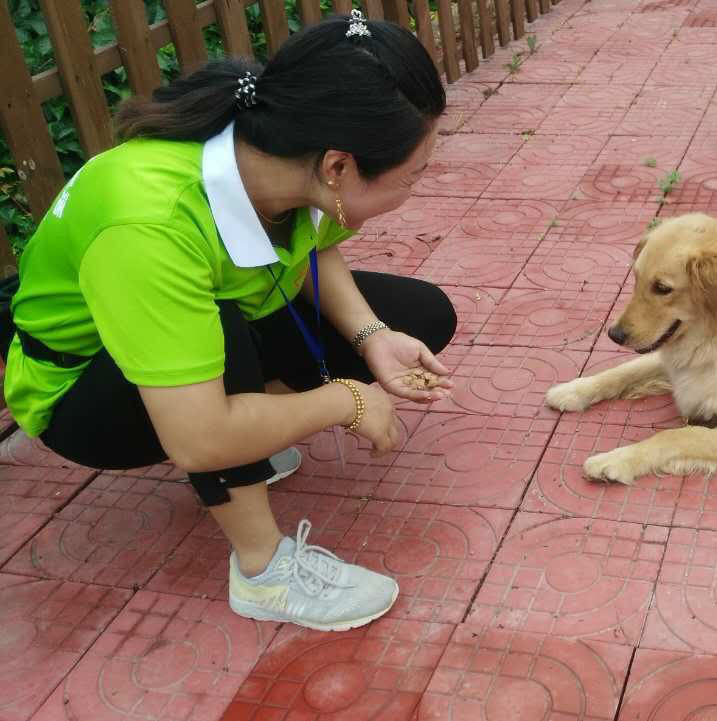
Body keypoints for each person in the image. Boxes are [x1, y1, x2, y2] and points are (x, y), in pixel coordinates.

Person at [1, 11, 456, 632]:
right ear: (339, 167)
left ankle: (255, 427)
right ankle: (264, 573)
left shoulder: (281, 145)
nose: (417, 187)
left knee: (420, 315)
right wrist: (345, 400)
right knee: (220, 352)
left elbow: (313, 248)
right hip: (82, 396)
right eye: (414, 175)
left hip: (206, 319)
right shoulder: (150, 224)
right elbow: (200, 439)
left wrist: (373, 339)